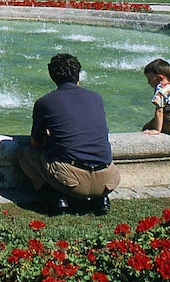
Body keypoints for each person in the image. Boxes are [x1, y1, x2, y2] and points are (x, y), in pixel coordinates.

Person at [18, 53, 120, 214]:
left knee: (25, 153)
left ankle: (56, 196)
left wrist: (49, 139)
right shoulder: (96, 98)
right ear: (78, 74)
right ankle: (100, 199)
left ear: (52, 76)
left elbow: (35, 142)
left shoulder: (45, 102)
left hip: (71, 181)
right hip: (108, 180)